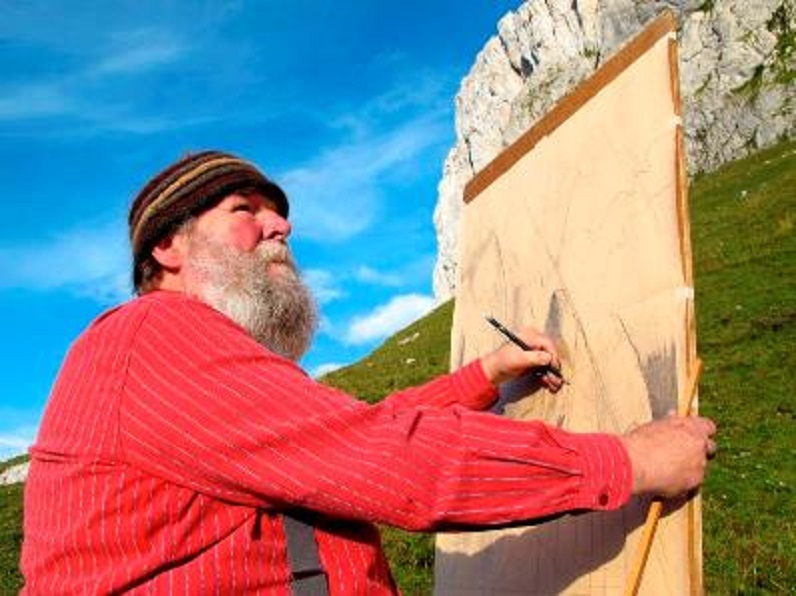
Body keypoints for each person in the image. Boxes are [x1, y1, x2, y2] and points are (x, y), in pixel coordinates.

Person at [22, 151, 717, 594]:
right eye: (245, 212)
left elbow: (345, 437)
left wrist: (484, 376)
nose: (280, 227)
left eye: (281, 216)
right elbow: (381, 456)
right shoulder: (157, 333)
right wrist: (627, 462)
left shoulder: (180, 363)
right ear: (168, 246)